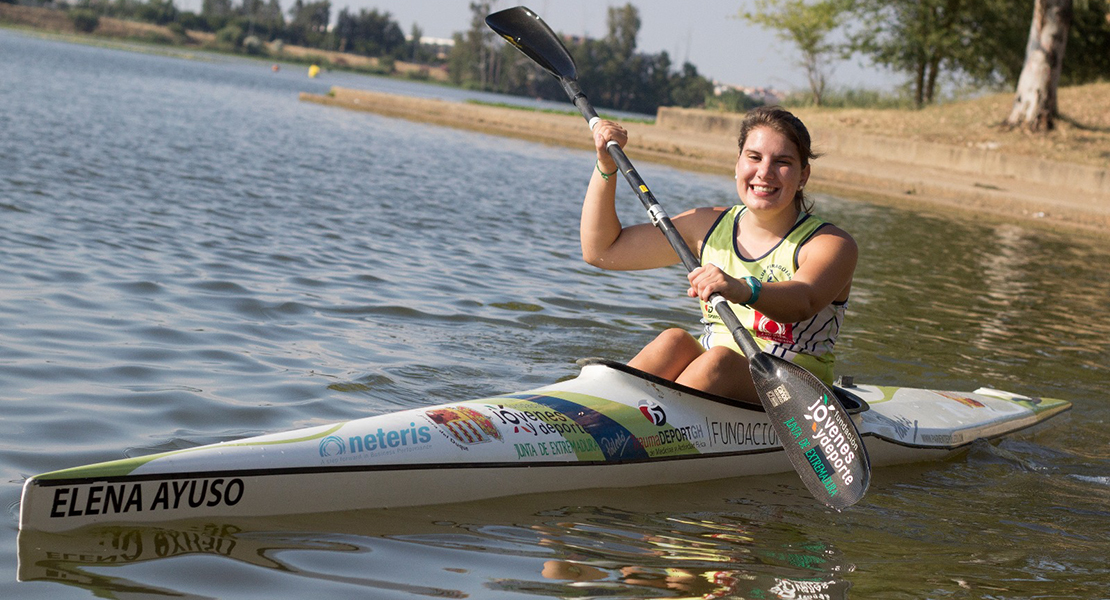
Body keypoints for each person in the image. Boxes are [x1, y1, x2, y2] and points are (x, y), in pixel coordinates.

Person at [582, 106, 857, 405]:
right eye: (754, 157)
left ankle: (645, 425)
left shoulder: (831, 244)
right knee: (672, 341)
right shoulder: (705, 226)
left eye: (782, 162)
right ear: (738, 164)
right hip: (709, 381)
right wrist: (606, 165)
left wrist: (743, 288)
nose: (764, 172)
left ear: (803, 175)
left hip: (796, 392)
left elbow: (804, 301)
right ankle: (592, 410)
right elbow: (602, 251)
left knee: (719, 363)